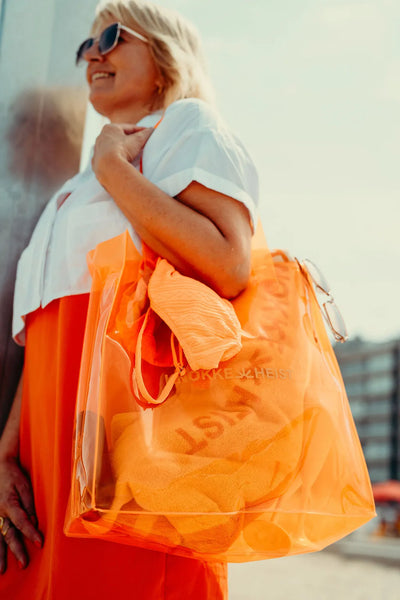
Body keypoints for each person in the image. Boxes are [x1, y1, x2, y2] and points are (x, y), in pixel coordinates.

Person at [0, 0, 258, 597]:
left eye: (112, 37)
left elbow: (227, 262)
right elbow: (48, 328)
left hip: (133, 459)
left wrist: (114, 165)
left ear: (165, 59)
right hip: (50, 463)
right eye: (85, 45)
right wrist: (9, 450)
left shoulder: (186, 126)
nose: (93, 53)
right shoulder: (75, 187)